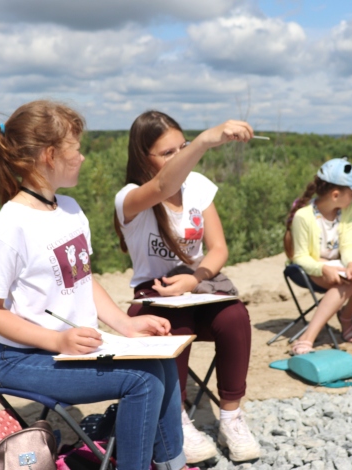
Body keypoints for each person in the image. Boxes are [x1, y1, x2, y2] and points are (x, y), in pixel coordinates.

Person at [0, 101, 190, 470]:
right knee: (142, 381)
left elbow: (83, 280)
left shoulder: (70, 209)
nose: (83, 157)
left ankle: (173, 463)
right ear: (50, 155)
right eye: (77, 148)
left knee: (162, 362)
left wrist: (125, 324)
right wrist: (57, 341)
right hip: (25, 359)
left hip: (71, 349)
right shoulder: (11, 225)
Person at [114, 111, 260, 464]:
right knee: (173, 326)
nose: (180, 157)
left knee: (235, 317)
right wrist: (206, 139)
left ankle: (231, 418)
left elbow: (219, 248)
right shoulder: (130, 197)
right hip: (156, 292)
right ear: (142, 157)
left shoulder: (198, 186)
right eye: (168, 153)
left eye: (182, 148)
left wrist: (195, 279)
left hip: (197, 286)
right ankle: (177, 419)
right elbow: (163, 186)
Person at [285, 157, 352, 355]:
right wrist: (323, 268)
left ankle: (346, 316)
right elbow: (299, 257)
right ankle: (307, 337)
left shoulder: (350, 208)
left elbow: (350, 244)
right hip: (307, 268)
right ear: (335, 195)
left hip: (337, 265)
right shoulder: (304, 215)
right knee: (349, 282)